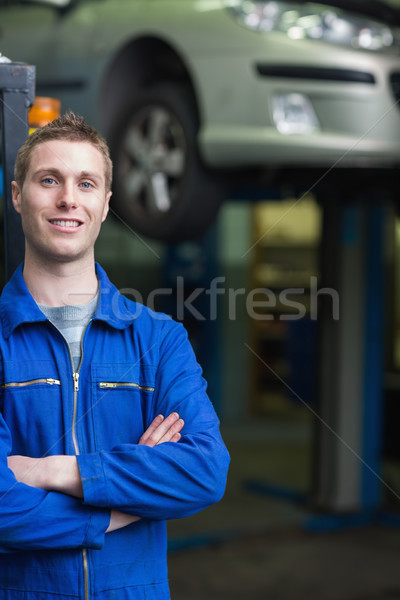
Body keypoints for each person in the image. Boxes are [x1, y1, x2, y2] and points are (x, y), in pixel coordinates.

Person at [0, 111, 230, 599]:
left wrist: (51, 471)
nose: (68, 198)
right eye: (49, 180)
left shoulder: (159, 339)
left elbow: (204, 471)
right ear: (17, 195)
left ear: (105, 205)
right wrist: (125, 504)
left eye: (86, 183)